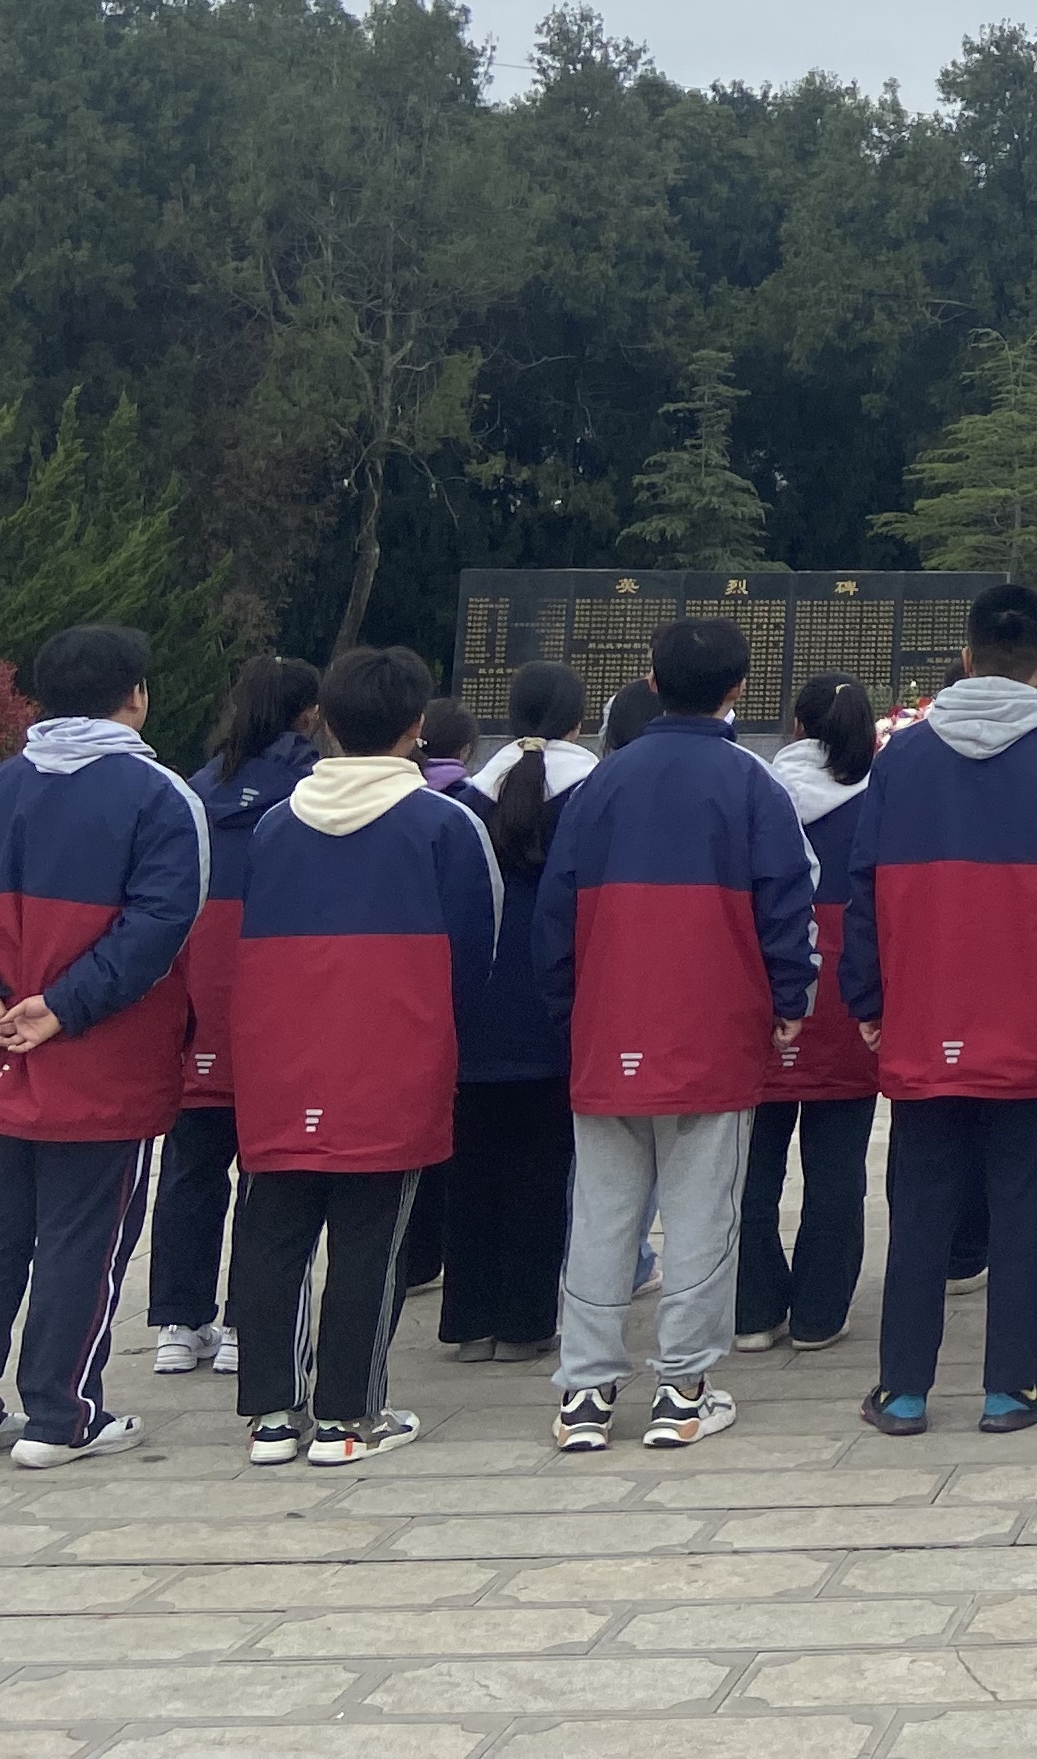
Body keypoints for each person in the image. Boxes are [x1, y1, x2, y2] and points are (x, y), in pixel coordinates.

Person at [0, 621, 206, 1468]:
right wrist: (62, 1007)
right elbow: (160, 927)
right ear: (135, 695)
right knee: (85, 1233)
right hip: (100, 1052)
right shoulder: (158, 796)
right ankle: (60, 1416)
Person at [841, 582, 1037, 1437]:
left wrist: (867, 996)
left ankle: (902, 1388)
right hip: (1030, 1014)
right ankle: (1011, 1385)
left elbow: (865, 888)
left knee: (920, 1200)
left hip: (924, 1013)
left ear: (965, 657)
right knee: (1020, 1199)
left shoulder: (901, 759)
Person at [536, 614, 818, 1453]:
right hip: (714, 1029)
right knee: (702, 1214)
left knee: (602, 1215)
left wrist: (571, 1016)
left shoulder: (600, 787)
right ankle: (681, 1388)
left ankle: (584, 1394)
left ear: (651, 682)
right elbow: (787, 904)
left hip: (607, 1026)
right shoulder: (754, 785)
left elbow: (557, 919)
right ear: (739, 690)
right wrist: (791, 998)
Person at [227, 644, 499, 1469]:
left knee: (273, 1232)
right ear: (417, 726)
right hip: (393, 1055)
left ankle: (272, 1415)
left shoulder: (274, 825)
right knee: (369, 1240)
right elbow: (475, 948)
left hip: (279, 1058)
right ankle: (349, 1416)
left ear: (329, 723)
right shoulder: (445, 824)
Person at [146, 654, 319, 1378]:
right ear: (310, 715)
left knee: (189, 1168)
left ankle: (178, 1325)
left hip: (193, 1011)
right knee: (269, 1175)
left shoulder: (191, 792)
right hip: (273, 1005)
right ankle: (251, 1324)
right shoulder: (312, 793)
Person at [438, 667, 588, 1363]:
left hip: (472, 1008)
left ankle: (469, 1321)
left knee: (471, 1168)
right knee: (540, 1168)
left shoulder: (466, 800)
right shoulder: (590, 795)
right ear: (578, 722)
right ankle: (527, 1322)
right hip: (552, 1006)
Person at [738, 674, 883, 1353]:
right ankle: (821, 1314)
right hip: (848, 1001)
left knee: (751, 1171)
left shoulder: (756, 795)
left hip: (765, 997)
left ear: (796, 725)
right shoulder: (881, 803)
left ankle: (753, 1310)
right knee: (836, 1172)